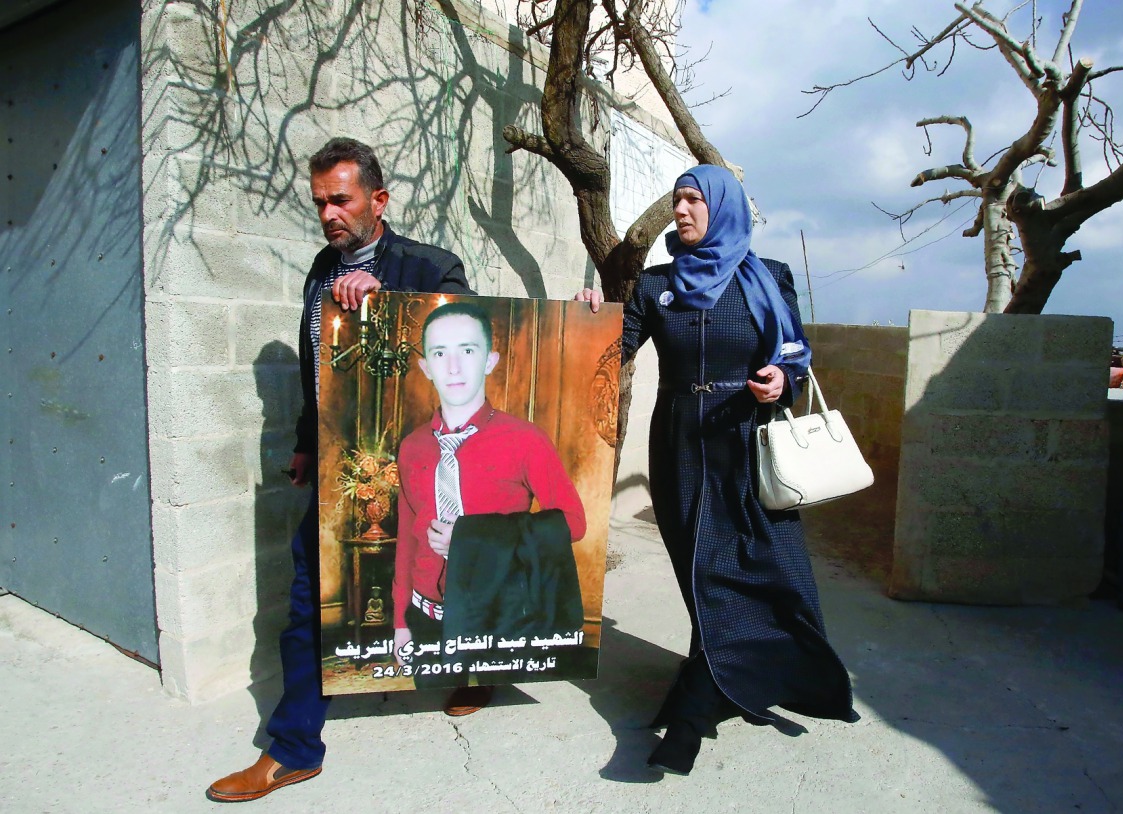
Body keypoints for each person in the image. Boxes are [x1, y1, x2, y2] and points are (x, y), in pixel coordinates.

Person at [207, 138, 474, 804]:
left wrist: (389, 307)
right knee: (310, 605)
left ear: (379, 201)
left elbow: (467, 352)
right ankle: (295, 749)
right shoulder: (320, 273)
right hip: (343, 469)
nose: (328, 212)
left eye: (341, 198)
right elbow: (316, 373)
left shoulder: (432, 267)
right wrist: (305, 441)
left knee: (447, 581)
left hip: (421, 467)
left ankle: (474, 670)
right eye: (320, 200)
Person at [576, 164, 857, 776]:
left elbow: (794, 356)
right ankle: (718, 677)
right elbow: (611, 349)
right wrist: (588, 316)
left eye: (694, 200)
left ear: (723, 208)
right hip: (679, 440)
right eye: (677, 200)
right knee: (701, 567)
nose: (681, 211)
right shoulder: (656, 286)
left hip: (749, 441)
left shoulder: (768, 277)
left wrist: (780, 379)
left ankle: (694, 710)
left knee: (760, 565)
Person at [391, 302, 588, 700]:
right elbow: (406, 538)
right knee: (431, 704)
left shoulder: (524, 439)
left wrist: (468, 540)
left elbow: (573, 522)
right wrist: (400, 622)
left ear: (490, 360)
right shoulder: (412, 446)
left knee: (480, 703)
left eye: (467, 350)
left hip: (493, 611)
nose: (453, 367)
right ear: (425, 366)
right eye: (439, 353)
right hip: (425, 613)